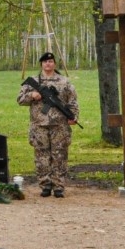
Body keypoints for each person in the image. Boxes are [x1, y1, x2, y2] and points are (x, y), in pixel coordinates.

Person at [18, 51, 79, 198]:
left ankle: (59, 186)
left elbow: (73, 102)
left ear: (55, 64)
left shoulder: (64, 82)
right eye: (45, 62)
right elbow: (20, 99)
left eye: (51, 62)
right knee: (42, 157)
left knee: (59, 156)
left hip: (60, 126)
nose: (48, 64)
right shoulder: (33, 81)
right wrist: (32, 95)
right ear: (41, 64)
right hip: (39, 125)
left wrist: (73, 117)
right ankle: (45, 185)